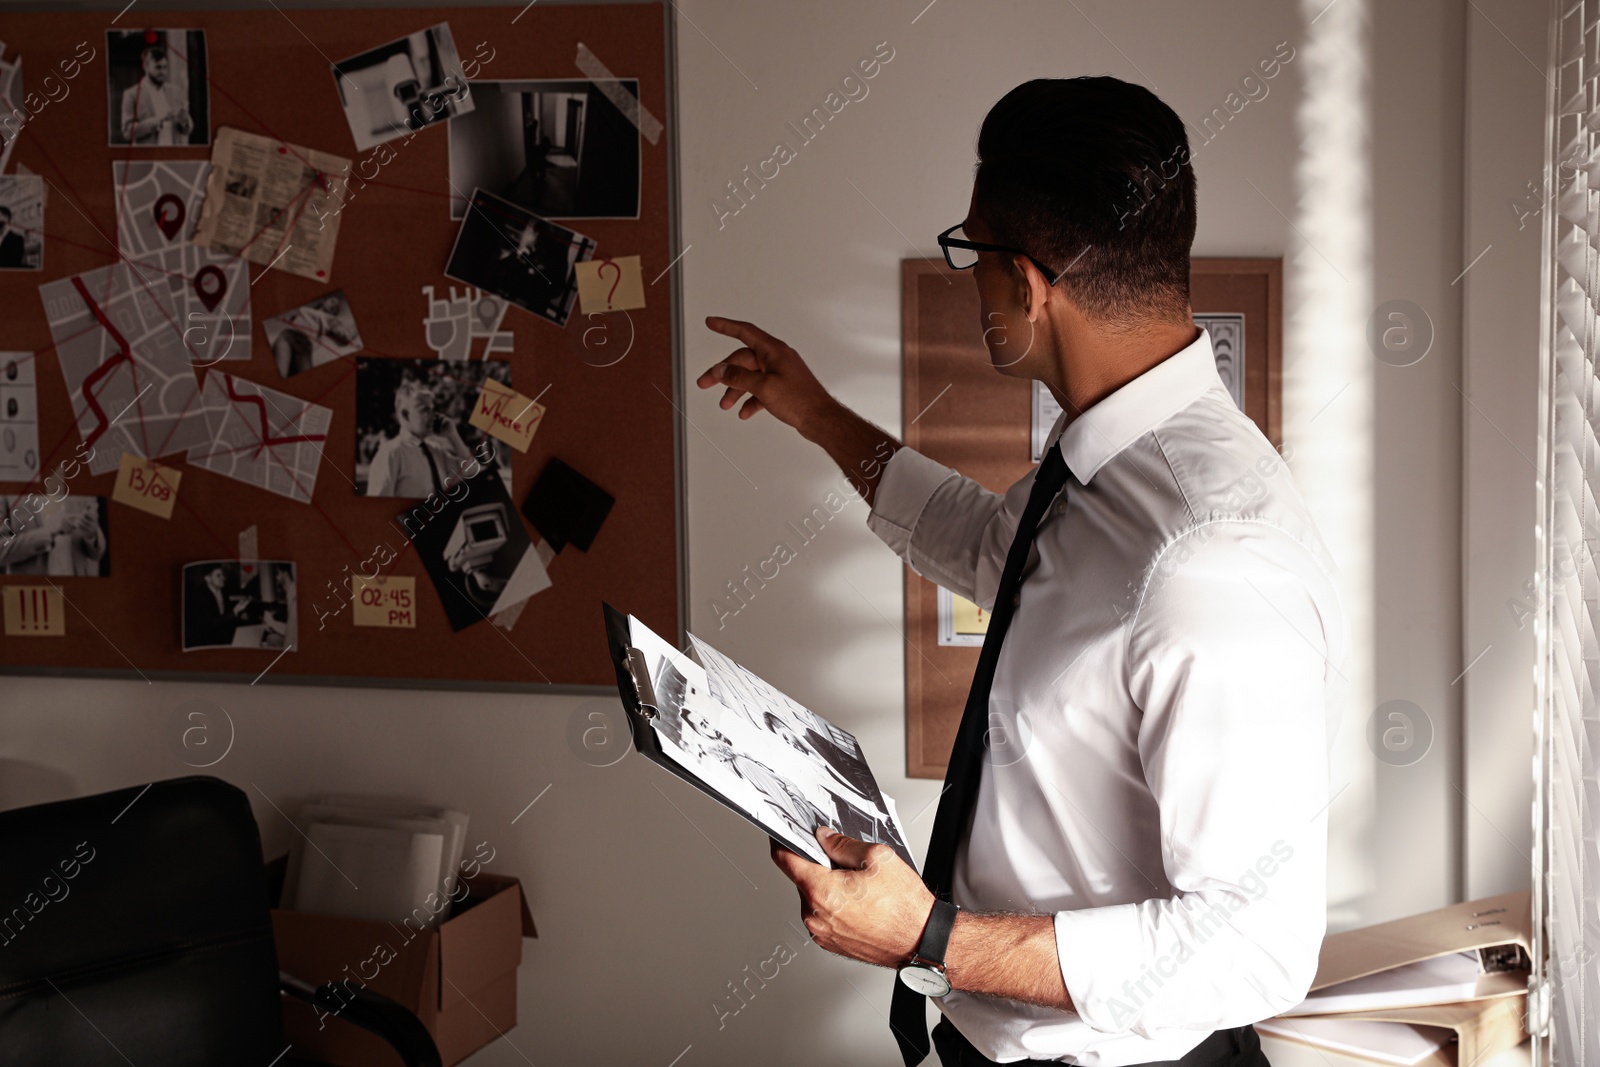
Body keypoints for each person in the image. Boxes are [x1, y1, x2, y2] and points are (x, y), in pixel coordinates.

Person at [697, 77, 1346, 1067]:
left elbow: (1253, 945)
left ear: (1025, 285)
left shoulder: (1211, 551)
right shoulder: (1107, 462)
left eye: (971, 251)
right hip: (998, 1036)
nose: (969, 282)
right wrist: (818, 414)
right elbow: (994, 548)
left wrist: (927, 936)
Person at [365, 378, 475, 497]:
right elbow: (377, 505)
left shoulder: (435, 450)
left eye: (432, 409)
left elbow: (472, 473)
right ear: (405, 415)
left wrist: (453, 436)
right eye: (425, 410)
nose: (433, 416)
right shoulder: (390, 453)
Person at [120, 44, 193, 146]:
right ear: (145, 66)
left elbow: (187, 130)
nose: (163, 72)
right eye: (158, 67)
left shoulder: (175, 92)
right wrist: (158, 120)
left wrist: (184, 119)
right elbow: (127, 132)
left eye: (165, 67)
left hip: (173, 155)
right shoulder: (131, 94)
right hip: (148, 157)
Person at [186, 564, 247, 648]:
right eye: (218, 575)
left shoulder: (224, 590)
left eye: (222, 574)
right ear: (207, 579)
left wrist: (240, 614)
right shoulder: (199, 596)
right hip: (205, 641)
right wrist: (234, 612)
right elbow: (211, 622)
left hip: (222, 637)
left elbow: (226, 612)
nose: (223, 578)